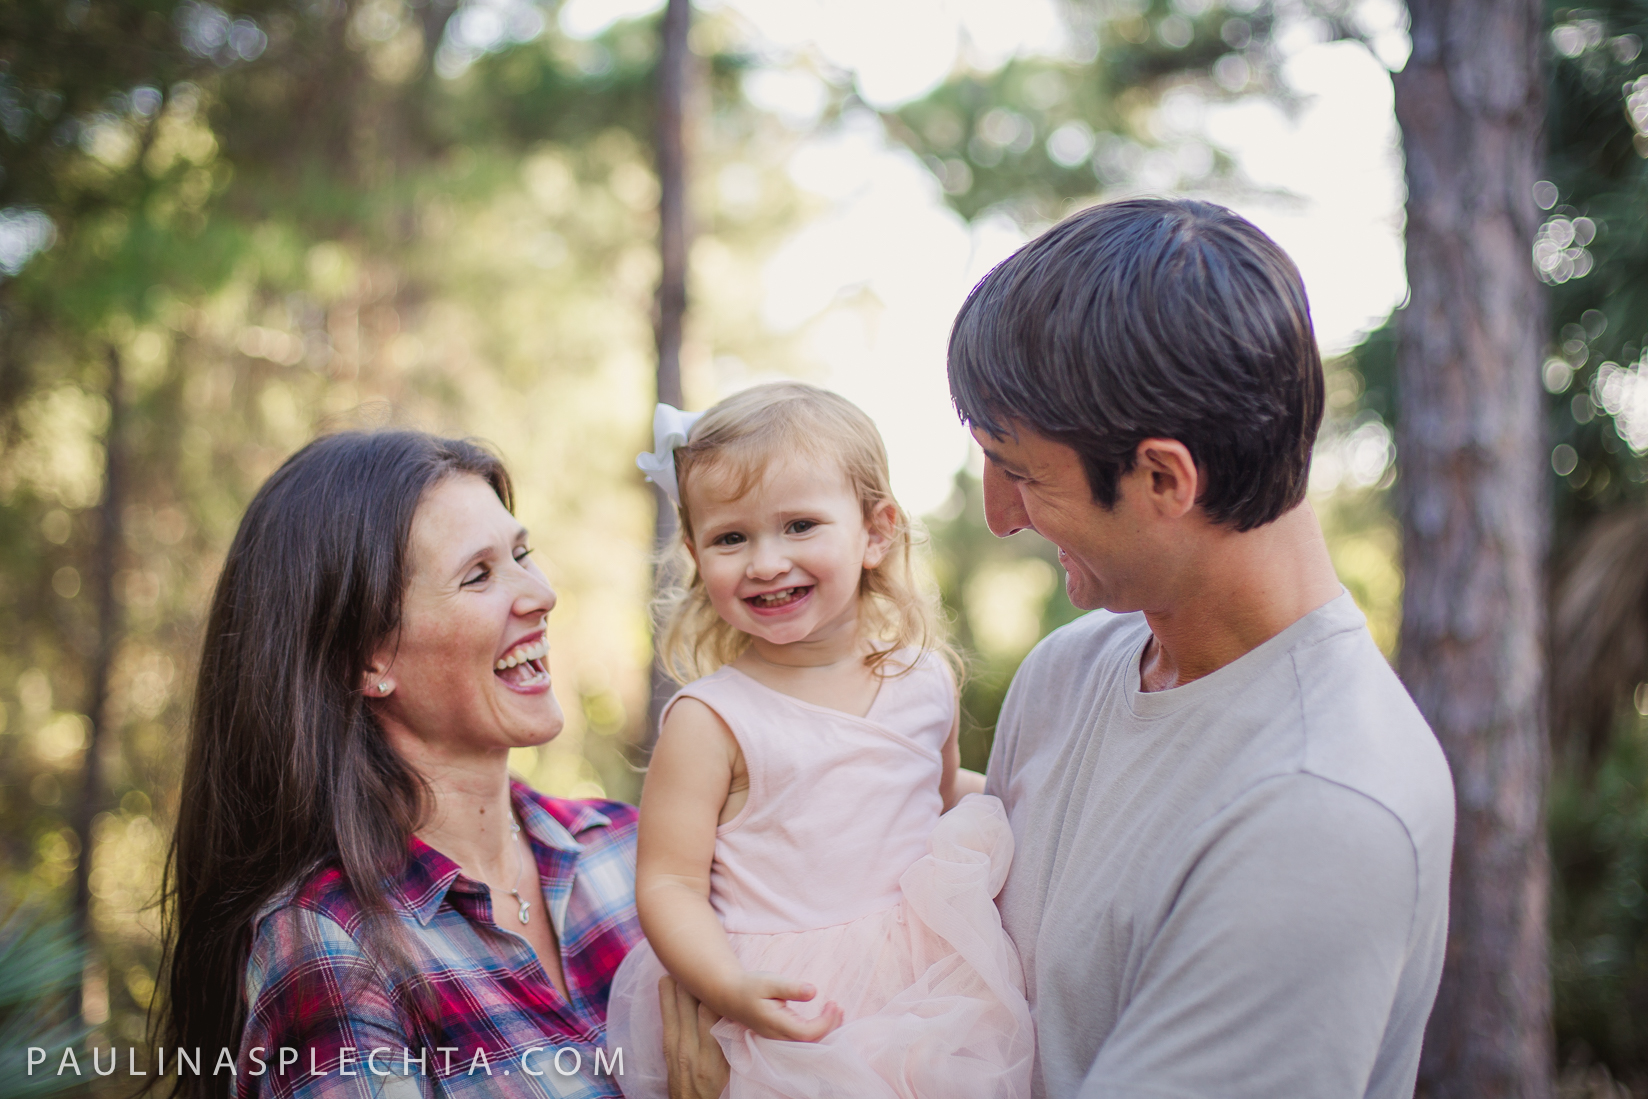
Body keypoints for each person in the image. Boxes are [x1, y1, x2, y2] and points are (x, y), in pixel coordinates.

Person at [950, 198, 1456, 1098]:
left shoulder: (1324, 807)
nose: (1000, 516)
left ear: (1162, 477)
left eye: (1022, 472)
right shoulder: (1066, 673)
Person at [155, 430, 641, 1099]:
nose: (540, 594)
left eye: (522, 554)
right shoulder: (332, 944)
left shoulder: (634, 850)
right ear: (367, 659)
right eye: (479, 574)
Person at [606, 384, 1034, 1099]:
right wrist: (730, 983)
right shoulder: (713, 719)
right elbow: (669, 881)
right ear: (695, 552)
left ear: (876, 531)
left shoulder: (924, 680)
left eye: (799, 525)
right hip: (781, 1000)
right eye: (731, 537)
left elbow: (939, 791)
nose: (766, 561)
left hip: (925, 989)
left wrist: (1029, 799)